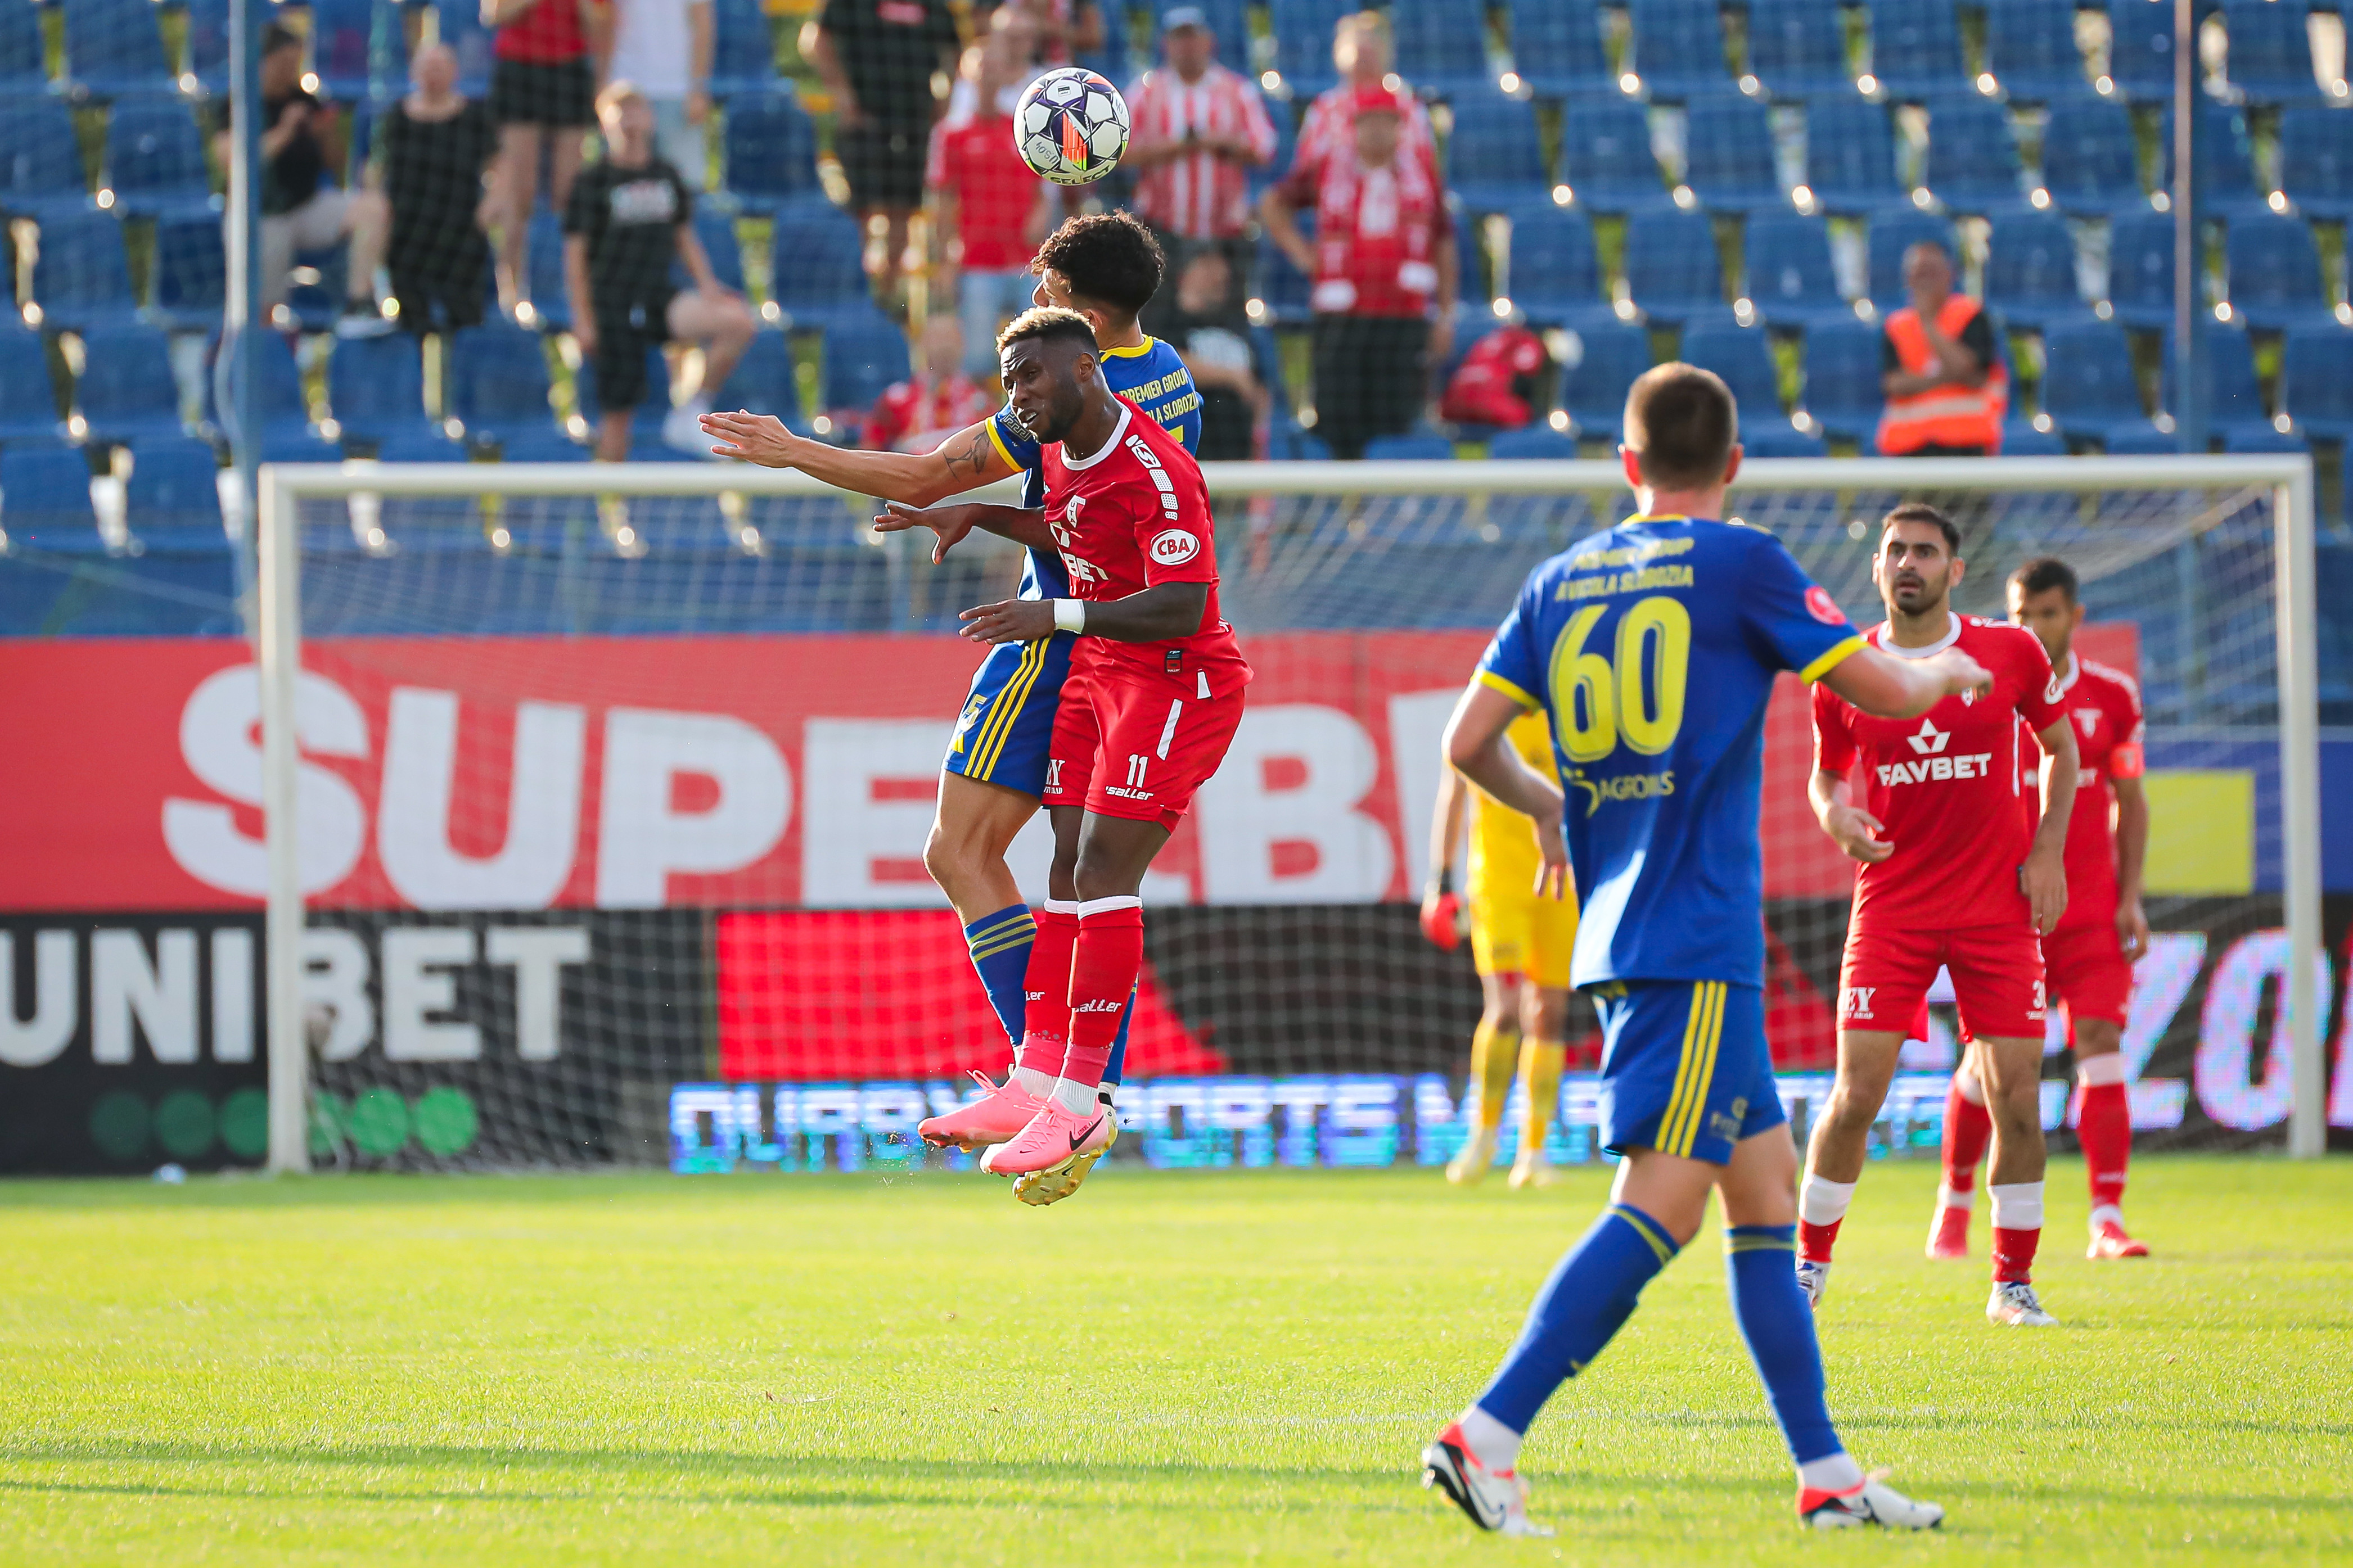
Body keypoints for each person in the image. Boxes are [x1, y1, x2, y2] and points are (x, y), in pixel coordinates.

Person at [1422, 364, 1970, 1535]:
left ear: (1626, 465)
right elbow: (1885, 689)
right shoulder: (1740, 561)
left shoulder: (1557, 577)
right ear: (1731, 464)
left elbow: (1469, 740)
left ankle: (1824, 1473)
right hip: (1694, 932)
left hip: (1623, 924)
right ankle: (1486, 1431)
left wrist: (1547, 803)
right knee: (1661, 1204)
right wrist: (1949, 666)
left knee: (1764, 1193)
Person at [700, 214, 1201, 1205]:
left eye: (1044, 291)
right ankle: (1055, 1076)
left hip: (1058, 630)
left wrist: (794, 450)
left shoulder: (1086, 386)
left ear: (1080, 312)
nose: (1032, 307)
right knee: (1058, 866)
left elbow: (925, 467)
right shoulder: (1168, 368)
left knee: (967, 851)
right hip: (1105, 627)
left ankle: (1048, 1079)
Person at [934, 306, 1251, 1188]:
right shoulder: (1062, 456)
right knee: (1067, 865)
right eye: (1008, 382)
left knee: (1107, 871)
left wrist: (1056, 613)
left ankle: (1081, 1103)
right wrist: (977, 512)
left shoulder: (1156, 465)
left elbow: (1184, 604)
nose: (1017, 396)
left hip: (1176, 677)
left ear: (1084, 369)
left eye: (1030, 376)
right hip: (1101, 672)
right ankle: (1035, 1075)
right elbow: (1066, 532)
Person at [1801, 504, 2081, 1328]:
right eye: (1897, 551)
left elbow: (2061, 749)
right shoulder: (1845, 668)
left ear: (1956, 570)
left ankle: (2012, 1283)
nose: (1909, 563)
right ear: (1879, 568)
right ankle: (1807, 1271)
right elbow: (1826, 777)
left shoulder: (2010, 650)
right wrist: (1832, 814)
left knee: (2019, 1099)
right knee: (1856, 1095)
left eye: (1926, 551)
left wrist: (2048, 850)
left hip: (1998, 905)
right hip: (1894, 903)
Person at [1931, 557, 2151, 1262]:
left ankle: (2105, 1218)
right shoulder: (1982, 688)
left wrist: (2130, 897)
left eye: (2046, 613)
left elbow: (2130, 802)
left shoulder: (2113, 699)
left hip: (2087, 912)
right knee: (1982, 1066)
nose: (2030, 626)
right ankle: (1954, 1205)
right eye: (2019, 613)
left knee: (2100, 1044)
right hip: (2001, 912)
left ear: (2074, 616)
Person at [1419, 711, 1576, 1190]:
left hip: (1561, 880)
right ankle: (1483, 1134)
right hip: (1498, 883)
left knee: (1549, 1013)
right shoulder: (1490, 702)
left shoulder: (1574, 703)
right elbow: (1454, 791)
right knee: (1506, 1008)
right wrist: (1440, 880)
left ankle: (1534, 1150)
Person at [1260, 85, 1455, 460]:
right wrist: (1304, 254)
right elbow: (1273, 204)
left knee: (1396, 421)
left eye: (1388, 122)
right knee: (1338, 419)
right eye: (1370, 122)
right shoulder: (1328, 168)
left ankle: (1387, 508)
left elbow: (1444, 245)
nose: (1379, 131)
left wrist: (1445, 314)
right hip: (1342, 317)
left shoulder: (1423, 177)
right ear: (1354, 127)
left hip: (1403, 318)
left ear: (1401, 128)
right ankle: (1342, 508)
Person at [564, 83, 755, 459]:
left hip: (657, 298)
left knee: (738, 322)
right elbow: (574, 258)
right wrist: (583, 318)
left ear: (650, 119)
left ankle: (691, 411)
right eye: (620, 113)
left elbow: (685, 238)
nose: (630, 120)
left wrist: (709, 287)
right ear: (604, 124)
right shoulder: (591, 182)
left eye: (637, 110)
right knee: (617, 419)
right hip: (611, 307)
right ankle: (610, 508)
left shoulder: (666, 174)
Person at [219, 24, 393, 335]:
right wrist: (285, 132)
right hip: (261, 214)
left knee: (373, 208)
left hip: (308, 205)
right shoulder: (238, 103)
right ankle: (260, 347)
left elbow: (336, 165)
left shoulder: (305, 100)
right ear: (263, 61)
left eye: (295, 63)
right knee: (261, 311)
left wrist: (326, 134)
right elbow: (232, 163)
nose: (290, 71)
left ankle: (360, 302)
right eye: (284, 63)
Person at [801, 0, 961, 301]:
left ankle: (885, 300)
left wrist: (946, 99)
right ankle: (851, 293)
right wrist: (843, 95)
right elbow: (816, 42)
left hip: (914, 122)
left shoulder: (934, 6)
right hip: (864, 123)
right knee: (859, 210)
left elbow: (954, 51)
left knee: (903, 210)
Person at [1124, 6, 1277, 306]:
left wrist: (1221, 143)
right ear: (1166, 44)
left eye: (1193, 38)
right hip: (1161, 232)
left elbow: (1265, 149)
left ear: (1209, 42)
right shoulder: (1146, 92)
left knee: (1227, 321)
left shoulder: (1237, 90)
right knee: (1159, 318)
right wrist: (1177, 147)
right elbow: (1121, 153)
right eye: (1179, 39)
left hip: (1225, 233)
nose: (1187, 47)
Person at [927, 27, 1053, 379]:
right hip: (977, 259)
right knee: (980, 358)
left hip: (1025, 261)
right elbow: (943, 201)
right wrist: (944, 259)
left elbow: (1043, 193)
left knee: (1037, 354)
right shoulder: (952, 136)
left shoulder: (1021, 130)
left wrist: (1038, 220)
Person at [371, 42, 500, 337]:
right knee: (409, 325)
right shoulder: (395, 118)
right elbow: (375, 171)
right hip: (406, 235)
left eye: (440, 68)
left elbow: (499, 166)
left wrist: (491, 204)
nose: (433, 75)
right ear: (414, 73)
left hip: (462, 233)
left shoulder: (475, 117)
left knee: (467, 321)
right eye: (427, 68)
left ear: (454, 73)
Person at [484, 0, 602, 316]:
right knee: (519, 196)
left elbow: (598, 22)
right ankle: (511, 293)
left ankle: (568, 289)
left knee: (568, 196)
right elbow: (495, 15)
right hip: (520, 68)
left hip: (570, 69)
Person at [1877, 242, 2007, 457]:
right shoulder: (1896, 326)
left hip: (1967, 444)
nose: (1925, 282)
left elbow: (1969, 371)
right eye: (1920, 275)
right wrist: (1944, 378)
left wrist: (1928, 324)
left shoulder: (1972, 316)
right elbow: (1894, 384)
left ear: (1950, 275)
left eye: (1932, 274)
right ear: (1908, 280)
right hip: (1910, 448)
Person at [1292, 9, 1438, 178]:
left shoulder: (1408, 106)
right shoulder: (1325, 109)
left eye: (1372, 46)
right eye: (1358, 48)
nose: (1365, 56)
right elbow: (1306, 169)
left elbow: (1426, 167)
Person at [1155, 247, 1263, 460]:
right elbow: (1170, 364)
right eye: (1208, 263)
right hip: (1190, 456)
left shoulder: (1238, 326)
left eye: (1222, 264)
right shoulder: (1165, 320)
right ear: (1185, 274)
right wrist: (1232, 378)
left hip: (1238, 456)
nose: (1221, 273)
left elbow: (1260, 390)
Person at [602, 0, 714, 187]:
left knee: (683, 186)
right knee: (621, 187)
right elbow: (604, 21)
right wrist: (603, 85)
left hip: (676, 91)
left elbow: (703, 23)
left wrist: (697, 88)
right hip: (623, 91)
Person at [866, 316, 995, 452]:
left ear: (963, 344)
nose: (945, 346)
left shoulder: (981, 401)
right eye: (938, 339)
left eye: (950, 338)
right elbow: (870, 449)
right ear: (923, 344)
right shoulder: (896, 400)